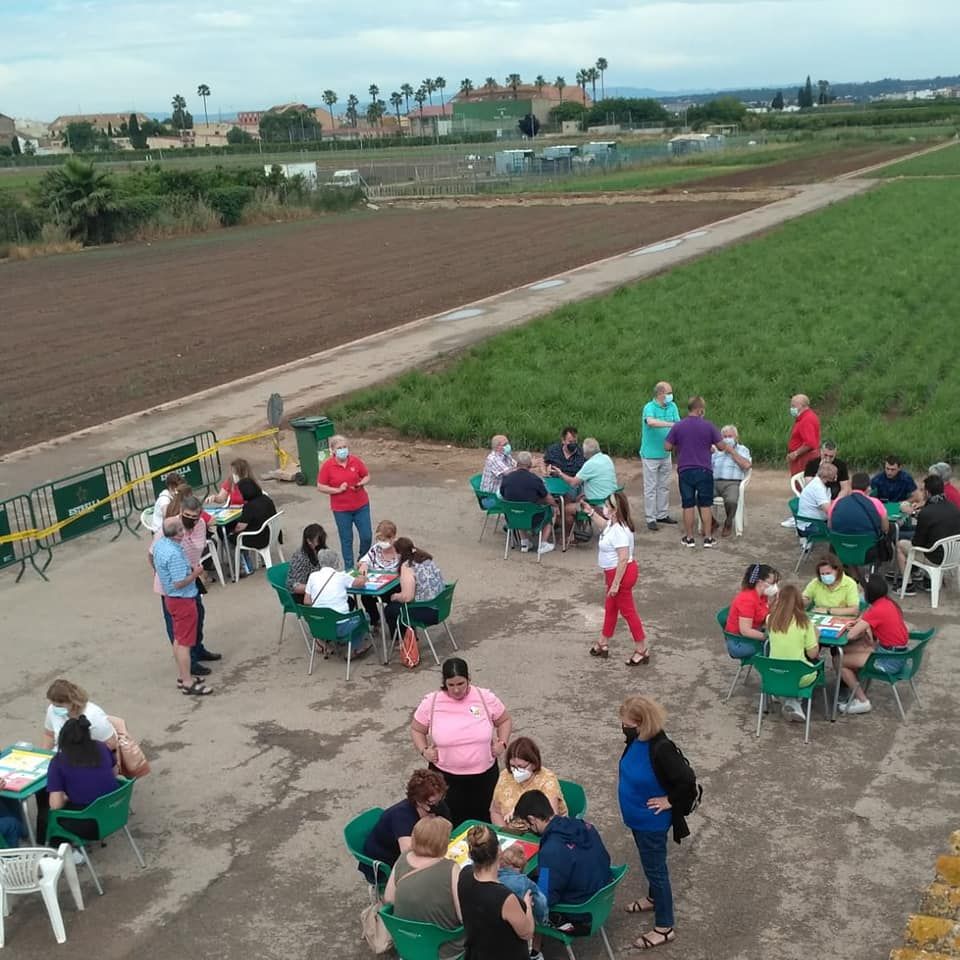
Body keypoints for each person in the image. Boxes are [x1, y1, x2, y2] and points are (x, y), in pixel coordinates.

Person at [618, 695, 697, 951]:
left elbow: (686, 781)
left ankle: (665, 926)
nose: (622, 726)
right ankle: (653, 897)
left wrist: (669, 801)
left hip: (650, 824)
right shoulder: (637, 740)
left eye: (626, 722)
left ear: (640, 724)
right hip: (637, 819)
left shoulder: (661, 748)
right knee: (649, 864)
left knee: (657, 871)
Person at [411, 658, 512, 827]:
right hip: (445, 779)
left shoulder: (484, 697)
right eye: (451, 685)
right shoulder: (432, 702)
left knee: (486, 824)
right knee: (449, 825)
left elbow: (505, 720)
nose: (456, 690)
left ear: (469, 679)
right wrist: (424, 751)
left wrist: (502, 743)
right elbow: (416, 729)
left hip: (484, 777)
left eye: (461, 683)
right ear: (444, 683)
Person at [514, 789, 612, 926]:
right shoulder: (585, 825)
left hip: (579, 915)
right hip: (603, 899)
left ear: (532, 819)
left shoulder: (550, 851)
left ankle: (532, 946)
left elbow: (546, 899)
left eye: (526, 825)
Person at [150, 495, 222, 675]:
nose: (191, 520)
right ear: (181, 512)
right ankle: (189, 663)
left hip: (191, 577)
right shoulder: (168, 528)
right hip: (173, 585)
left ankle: (198, 649)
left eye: (195, 517)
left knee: (198, 614)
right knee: (178, 626)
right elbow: (151, 554)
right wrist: (162, 573)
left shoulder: (200, 526)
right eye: (187, 516)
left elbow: (197, 548)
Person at [581, 490, 648, 665]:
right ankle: (603, 642)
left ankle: (641, 649)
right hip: (615, 573)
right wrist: (590, 512)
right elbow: (604, 525)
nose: (603, 508)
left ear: (614, 510)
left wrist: (616, 583)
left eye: (606, 506)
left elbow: (623, 558)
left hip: (620, 574)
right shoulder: (615, 524)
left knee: (628, 612)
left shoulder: (619, 530)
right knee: (611, 608)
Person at [384, 817, 463, 959]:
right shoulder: (451, 868)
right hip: (445, 949)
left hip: (409, 944)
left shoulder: (402, 859)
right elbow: (463, 916)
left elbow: (389, 899)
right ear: (442, 842)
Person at [153, 517, 212, 696]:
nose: (184, 530)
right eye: (181, 529)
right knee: (185, 643)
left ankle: (183, 675)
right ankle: (188, 681)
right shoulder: (175, 554)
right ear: (177, 533)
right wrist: (196, 573)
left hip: (171, 599)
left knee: (178, 639)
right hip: (183, 600)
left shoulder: (160, 546)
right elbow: (179, 582)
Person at [457, 824, 534, 960]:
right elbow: (527, 932)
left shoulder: (464, 874)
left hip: (476, 953)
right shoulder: (505, 898)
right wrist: (527, 905)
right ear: (499, 850)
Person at [361, 768, 450, 883]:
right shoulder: (402, 817)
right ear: (418, 800)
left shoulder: (437, 805)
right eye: (432, 803)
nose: (438, 805)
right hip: (385, 861)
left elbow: (447, 829)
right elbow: (410, 857)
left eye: (440, 799)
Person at [837, 576, 909, 715]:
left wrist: (857, 624)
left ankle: (862, 700)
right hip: (897, 653)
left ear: (869, 593)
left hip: (889, 659)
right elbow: (869, 626)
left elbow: (851, 635)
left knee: (839, 660)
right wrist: (862, 622)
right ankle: (855, 684)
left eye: (862, 590)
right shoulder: (888, 603)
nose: (861, 593)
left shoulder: (877, 610)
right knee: (844, 650)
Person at [45, 717, 120, 847]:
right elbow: (115, 772)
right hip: (115, 812)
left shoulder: (58, 762)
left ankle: (67, 853)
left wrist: (65, 797)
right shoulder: (102, 747)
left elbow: (55, 805)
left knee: (51, 816)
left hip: (88, 823)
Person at [664, 396, 723, 548]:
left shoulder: (678, 426)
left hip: (685, 470)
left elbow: (667, 446)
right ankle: (708, 538)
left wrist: (680, 444)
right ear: (700, 410)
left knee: (688, 504)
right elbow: (721, 446)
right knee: (705, 505)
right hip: (704, 470)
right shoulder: (708, 426)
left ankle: (689, 537)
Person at [895, 474, 960, 595]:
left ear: (928, 492)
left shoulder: (927, 513)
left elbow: (916, 543)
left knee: (900, 544)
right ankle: (928, 580)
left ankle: (908, 585)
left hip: (935, 558)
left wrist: (913, 513)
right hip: (953, 556)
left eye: (922, 490)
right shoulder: (953, 507)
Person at [766, 585, 821, 722]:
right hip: (799, 676)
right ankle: (794, 702)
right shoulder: (804, 622)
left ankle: (787, 699)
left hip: (773, 673)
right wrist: (816, 636)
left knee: (789, 669)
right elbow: (813, 653)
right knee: (811, 666)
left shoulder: (770, 619)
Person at [316, 434, 372, 570]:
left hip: (361, 505)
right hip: (341, 510)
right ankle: (349, 568)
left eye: (345, 447)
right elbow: (320, 486)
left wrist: (361, 482)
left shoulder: (355, 461)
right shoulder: (328, 466)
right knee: (346, 540)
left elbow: (367, 475)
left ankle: (362, 560)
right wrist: (337, 490)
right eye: (339, 448)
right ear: (333, 450)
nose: (343, 450)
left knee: (367, 536)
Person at [490, 737, 568, 826]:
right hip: (510, 832)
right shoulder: (505, 775)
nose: (516, 771)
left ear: (534, 764)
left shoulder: (547, 780)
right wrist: (504, 832)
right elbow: (495, 811)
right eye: (513, 766)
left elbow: (549, 821)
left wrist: (520, 812)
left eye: (521, 767)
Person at [305, 561, 372, 657]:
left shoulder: (312, 576)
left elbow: (307, 601)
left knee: (343, 613)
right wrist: (362, 575)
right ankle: (354, 648)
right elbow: (361, 583)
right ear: (336, 563)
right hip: (341, 628)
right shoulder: (341, 576)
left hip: (319, 626)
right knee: (365, 616)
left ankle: (323, 641)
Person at [383, 537, 445, 638]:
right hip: (441, 606)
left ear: (399, 553)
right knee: (400, 605)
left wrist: (395, 596)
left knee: (390, 609)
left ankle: (404, 640)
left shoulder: (407, 566)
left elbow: (408, 597)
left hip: (428, 611)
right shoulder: (425, 558)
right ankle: (408, 637)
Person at [639, 381, 681, 531]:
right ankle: (650, 517)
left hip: (665, 453)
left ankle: (662, 514)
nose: (670, 396)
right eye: (668, 393)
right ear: (660, 394)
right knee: (651, 487)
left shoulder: (672, 407)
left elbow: (678, 422)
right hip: (650, 455)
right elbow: (651, 422)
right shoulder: (649, 408)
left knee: (664, 485)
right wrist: (670, 425)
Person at [499, 451, 557, 555]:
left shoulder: (506, 478)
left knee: (518, 507)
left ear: (517, 464)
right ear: (530, 465)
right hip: (534, 519)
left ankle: (524, 542)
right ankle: (543, 543)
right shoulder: (535, 480)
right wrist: (555, 505)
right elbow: (547, 498)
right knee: (550, 511)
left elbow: (502, 495)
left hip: (512, 518)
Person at [498, 845, 548, 958]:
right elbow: (541, 903)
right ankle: (535, 953)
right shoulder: (526, 883)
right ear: (522, 866)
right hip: (521, 926)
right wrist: (542, 920)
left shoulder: (493, 878)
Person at [725, 563, 780, 649]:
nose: (775, 587)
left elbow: (767, 615)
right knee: (777, 648)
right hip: (739, 642)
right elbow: (746, 631)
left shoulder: (762, 596)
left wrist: (774, 601)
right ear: (760, 582)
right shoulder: (747, 600)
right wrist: (770, 638)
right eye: (772, 583)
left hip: (754, 632)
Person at [711, 425, 752, 537]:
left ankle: (728, 523)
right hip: (714, 481)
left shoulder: (742, 449)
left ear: (736, 437)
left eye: (730, 436)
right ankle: (712, 522)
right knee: (698, 496)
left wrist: (732, 452)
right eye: (724, 436)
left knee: (732, 501)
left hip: (732, 482)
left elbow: (747, 465)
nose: (727, 438)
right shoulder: (716, 450)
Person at [286, 523, 341, 601]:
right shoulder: (300, 557)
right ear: (309, 541)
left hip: (321, 589)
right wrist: (318, 588)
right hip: (303, 594)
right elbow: (294, 586)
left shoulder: (323, 550)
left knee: (348, 601)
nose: (321, 545)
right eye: (318, 542)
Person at [828, 472, 890, 540]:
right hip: (869, 546)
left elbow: (830, 526)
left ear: (851, 486)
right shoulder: (876, 502)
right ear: (868, 488)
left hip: (840, 545)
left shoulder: (837, 502)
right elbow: (885, 528)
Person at [231, 477, 278, 559]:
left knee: (229, 536)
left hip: (259, 539)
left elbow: (240, 527)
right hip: (272, 534)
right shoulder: (267, 499)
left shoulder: (249, 506)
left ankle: (239, 563)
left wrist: (232, 532)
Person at [575, 437, 620, 503]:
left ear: (585, 453)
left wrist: (561, 474)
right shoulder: (607, 458)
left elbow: (573, 482)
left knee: (567, 508)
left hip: (599, 503)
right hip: (613, 500)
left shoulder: (590, 464)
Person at [786, 394, 820, 475]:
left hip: (804, 459)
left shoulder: (806, 420)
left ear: (801, 406)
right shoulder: (809, 417)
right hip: (805, 457)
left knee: (800, 483)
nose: (791, 408)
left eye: (793, 406)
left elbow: (810, 443)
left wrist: (795, 453)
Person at [479, 434, 516, 505]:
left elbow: (517, 466)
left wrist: (529, 464)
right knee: (519, 496)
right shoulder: (493, 458)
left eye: (508, 443)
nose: (508, 446)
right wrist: (525, 466)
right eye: (505, 444)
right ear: (497, 447)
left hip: (500, 491)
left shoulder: (506, 455)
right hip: (490, 497)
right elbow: (509, 472)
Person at [797, 462, 837, 528]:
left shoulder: (821, 484)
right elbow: (828, 510)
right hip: (809, 525)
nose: (835, 480)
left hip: (814, 521)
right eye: (833, 478)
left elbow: (829, 503)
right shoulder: (818, 487)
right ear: (825, 478)